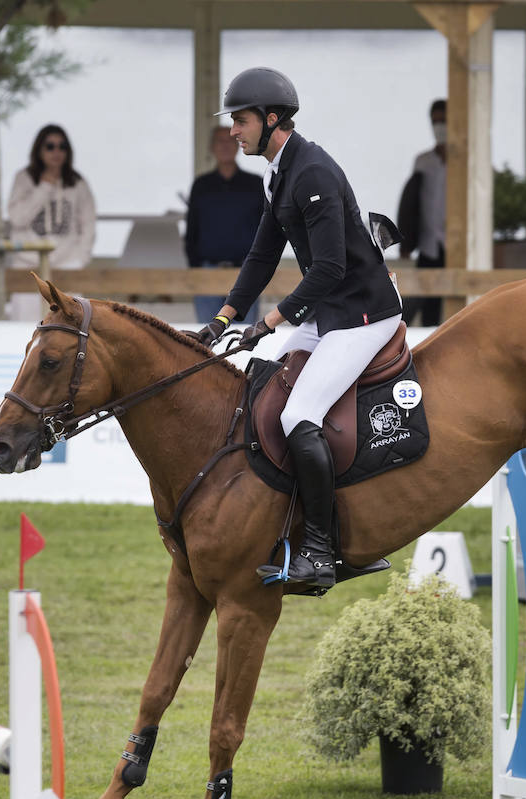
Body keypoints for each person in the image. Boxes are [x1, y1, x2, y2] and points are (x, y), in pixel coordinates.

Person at [194, 67, 403, 589]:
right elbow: (263, 254)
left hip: (363, 315)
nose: (233, 132)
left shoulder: (311, 173)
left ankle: (323, 550)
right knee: (267, 389)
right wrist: (223, 318)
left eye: (239, 121)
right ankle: (287, 523)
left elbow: (330, 268)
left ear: (271, 120)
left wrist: (267, 322)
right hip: (330, 312)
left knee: (300, 413)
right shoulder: (278, 171)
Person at [6, 125, 96, 322]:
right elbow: (17, 218)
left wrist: (80, 259)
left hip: (67, 264)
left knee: (68, 328)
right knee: (26, 326)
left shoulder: (77, 182)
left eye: (62, 146)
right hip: (28, 266)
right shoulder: (24, 179)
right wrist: (44, 187)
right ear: (39, 150)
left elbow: (88, 225)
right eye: (50, 146)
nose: (56, 152)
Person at [185, 125, 265, 324]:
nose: (225, 146)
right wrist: (196, 269)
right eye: (219, 141)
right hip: (207, 272)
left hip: (245, 274)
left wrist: (258, 269)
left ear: (239, 145)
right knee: (206, 338)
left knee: (240, 339)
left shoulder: (255, 185)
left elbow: (267, 230)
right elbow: (192, 231)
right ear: (212, 147)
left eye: (230, 140)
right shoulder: (201, 185)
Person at [396, 99, 446, 326]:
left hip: (457, 246)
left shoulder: (468, 161)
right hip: (429, 245)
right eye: (435, 122)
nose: (440, 127)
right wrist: (406, 242)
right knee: (426, 304)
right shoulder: (423, 162)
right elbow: (411, 203)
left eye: (444, 121)